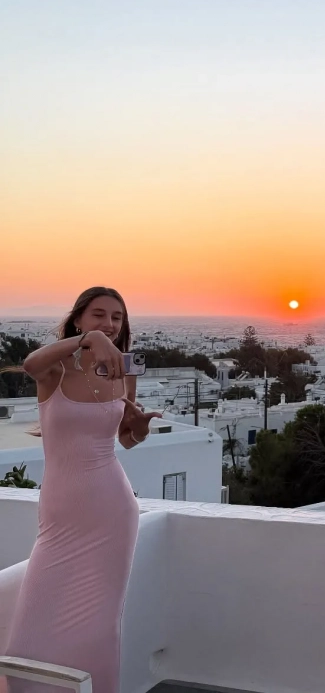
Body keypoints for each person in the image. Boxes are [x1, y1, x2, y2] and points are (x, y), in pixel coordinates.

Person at [2, 287, 159, 692]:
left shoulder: (124, 372)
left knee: (100, 624)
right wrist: (88, 341)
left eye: (117, 318)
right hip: (62, 511)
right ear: (78, 320)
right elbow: (31, 362)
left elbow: (125, 439)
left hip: (113, 511)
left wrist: (140, 430)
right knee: (32, 627)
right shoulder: (55, 370)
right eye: (99, 315)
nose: (110, 324)